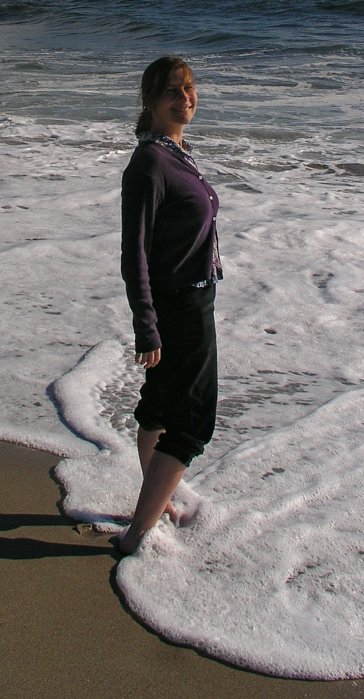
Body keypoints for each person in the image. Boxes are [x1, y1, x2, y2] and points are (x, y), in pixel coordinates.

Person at [118, 56, 222, 555]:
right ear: (151, 101)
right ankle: (139, 531)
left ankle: (153, 507)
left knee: (159, 406)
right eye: (172, 92)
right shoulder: (151, 163)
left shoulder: (174, 152)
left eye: (189, 89)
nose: (185, 99)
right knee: (193, 420)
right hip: (181, 306)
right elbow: (132, 252)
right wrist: (147, 326)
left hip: (185, 297)